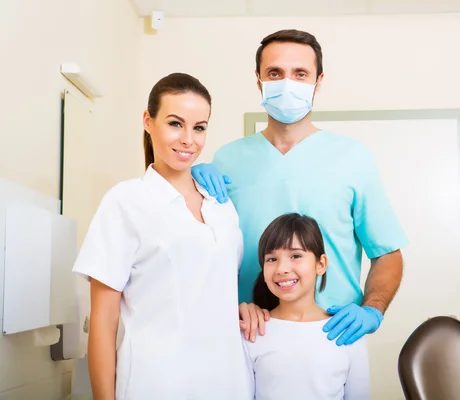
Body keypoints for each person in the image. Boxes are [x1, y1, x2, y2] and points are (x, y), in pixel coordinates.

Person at [192, 29, 408, 346]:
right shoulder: (227, 160)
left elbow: (387, 253)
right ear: (258, 80)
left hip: (333, 332)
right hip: (249, 331)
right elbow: (200, 253)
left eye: (300, 74)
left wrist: (372, 309)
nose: (287, 83)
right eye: (275, 73)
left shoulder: (352, 158)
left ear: (318, 82)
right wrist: (185, 178)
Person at [72, 72, 255, 399]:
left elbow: (222, 287)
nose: (189, 139)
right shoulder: (126, 202)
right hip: (156, 384)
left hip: (229, 382)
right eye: (175, 123)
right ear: (148, 121)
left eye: (199, 127)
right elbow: (103, 320)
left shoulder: (222, 206)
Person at [244, 213, 370, 399]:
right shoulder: (252, 331)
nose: (282, 269)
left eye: (295, 255)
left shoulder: (347, 332)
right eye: (272, 259)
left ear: (320, 264)